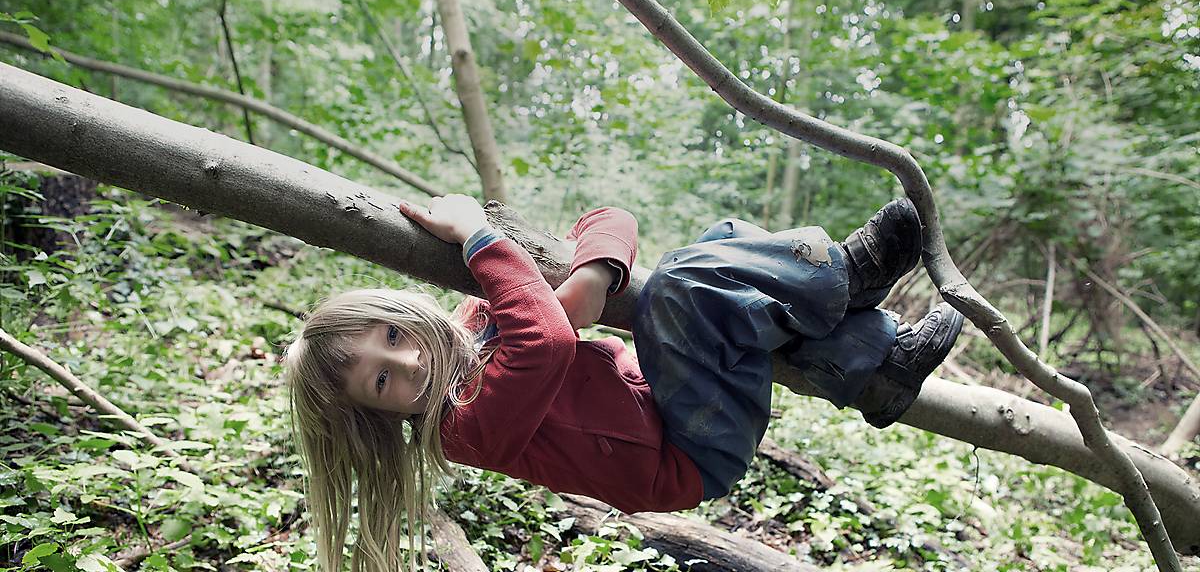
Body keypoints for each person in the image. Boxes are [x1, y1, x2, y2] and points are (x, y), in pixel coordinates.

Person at [284, 195, 964, 571]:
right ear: (381, 416)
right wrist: (477, 236)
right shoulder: (461, 429)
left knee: (720, 245)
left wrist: (592, 276)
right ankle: (850, 273)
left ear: (407, 315)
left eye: (394, 339)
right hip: (686, 449)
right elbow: (546, 346)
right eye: (382, 381)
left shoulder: (482, 318)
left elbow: (612, 215)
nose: (408, 367)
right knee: (685, 283)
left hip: (671, 398)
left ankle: (879, 366)